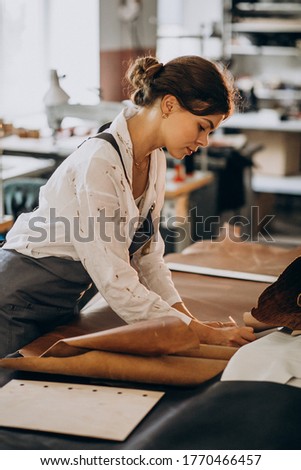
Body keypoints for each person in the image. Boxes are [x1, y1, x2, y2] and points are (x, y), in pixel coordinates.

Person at [0, 55, 256, 358]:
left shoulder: (154, 159)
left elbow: (148, 258)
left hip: (59, 305)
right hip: (15, 302)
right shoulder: (99, 162)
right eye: (202, 127)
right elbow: (115, 280)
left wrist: (192, 323)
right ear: (170, 105)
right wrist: (202, 334)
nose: (203, 141)